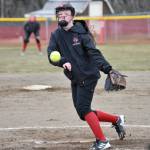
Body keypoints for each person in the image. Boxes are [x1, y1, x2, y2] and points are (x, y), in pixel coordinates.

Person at [47, 4, 126, 150]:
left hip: (88, 75)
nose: (62, 16)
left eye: (65, 13)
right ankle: (117, 119)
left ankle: (102, 141)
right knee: (83, 113)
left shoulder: (81, 33)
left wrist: (107, 69)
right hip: (75, 77)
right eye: (59, 14)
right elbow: (51, 54)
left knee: (84, 109)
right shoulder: (56, 35)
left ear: (72, 16)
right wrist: (62, 62)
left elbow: (94, 52)